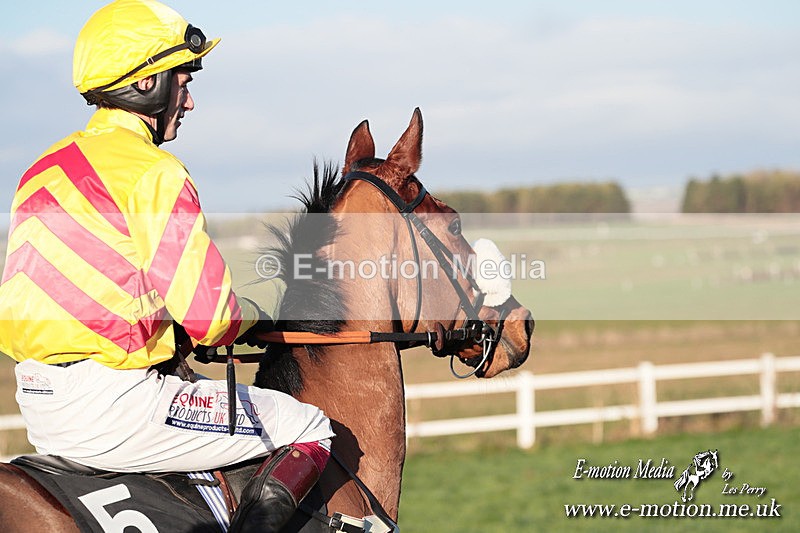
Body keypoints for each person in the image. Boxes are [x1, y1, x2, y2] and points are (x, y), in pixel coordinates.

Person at [0, 1, 334, 531]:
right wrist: (257, 313)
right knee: (308, 425)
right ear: (148, 84)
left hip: (39, 404)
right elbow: (212, 318)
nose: (191, 100)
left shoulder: (43, 169)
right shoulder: (154, 172)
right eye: (183, 80)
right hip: (117, 406)